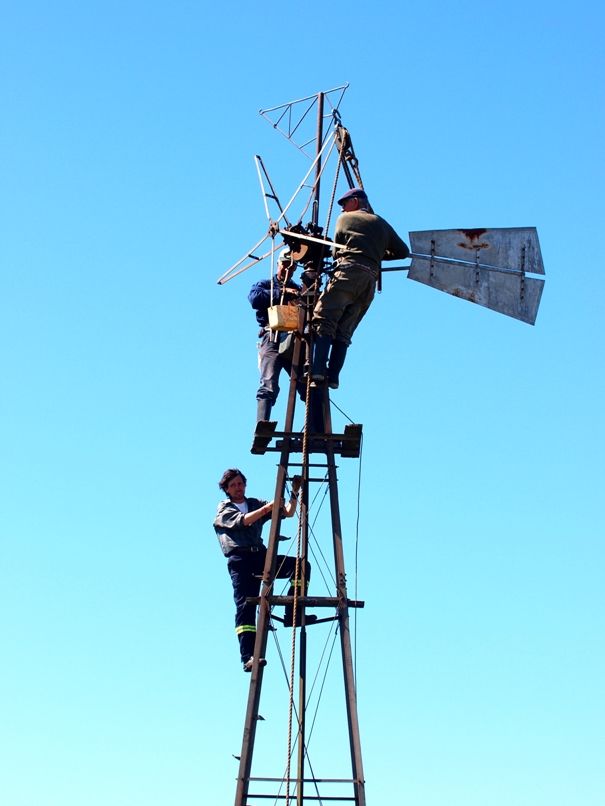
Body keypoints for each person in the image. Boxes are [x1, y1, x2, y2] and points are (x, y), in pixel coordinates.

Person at [213, 468, 317, 672]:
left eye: (240, 483)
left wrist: (294, 493)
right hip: (240, 559)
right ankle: (248, 657)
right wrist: (269, 506)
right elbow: (244, 521)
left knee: (301, 567)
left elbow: (286, 512)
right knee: (245, 605)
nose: (237, 488)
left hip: (260, 555)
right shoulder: (224, 509)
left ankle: (292, 614)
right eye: (233, 485)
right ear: (226, 488)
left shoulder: (253, 503)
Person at [312, 188, 410, 389]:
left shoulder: (345, 220)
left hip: (348, 274)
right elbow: (403, 252)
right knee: (345, 330)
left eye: (344, 204)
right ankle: (333, 377)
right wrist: (375, 254)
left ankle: (317, 370)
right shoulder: (381, 223)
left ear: (355, 202)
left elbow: (335, 252)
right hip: (368, 282)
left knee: (324, 318)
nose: (341, 209)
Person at [248, 250, 301, 422]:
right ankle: (262, 425)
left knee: (306, 383)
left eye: (291, 267)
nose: (287, 270)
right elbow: (254, 299)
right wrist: (282, 293)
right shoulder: (265, 285)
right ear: (278, 263)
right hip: (272, 337)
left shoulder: (299, 290)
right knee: (269, 382)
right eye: (285, 265)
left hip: (293, 339)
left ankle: (317, 426)